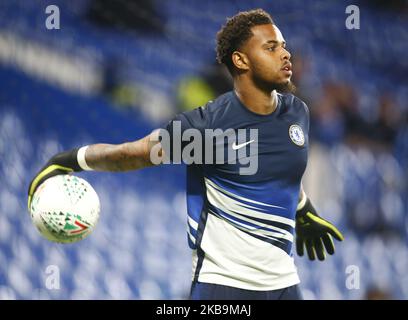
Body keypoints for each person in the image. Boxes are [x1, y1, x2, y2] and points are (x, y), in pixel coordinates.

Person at [28, 9, 344, 300]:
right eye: (271, 47)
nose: (285, 54)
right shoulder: (208, 125)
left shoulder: (295, 113)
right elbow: (133, 154)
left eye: (283, 45)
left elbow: (280, 171)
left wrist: (303, 211)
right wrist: (69, 160)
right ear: (241, 61)